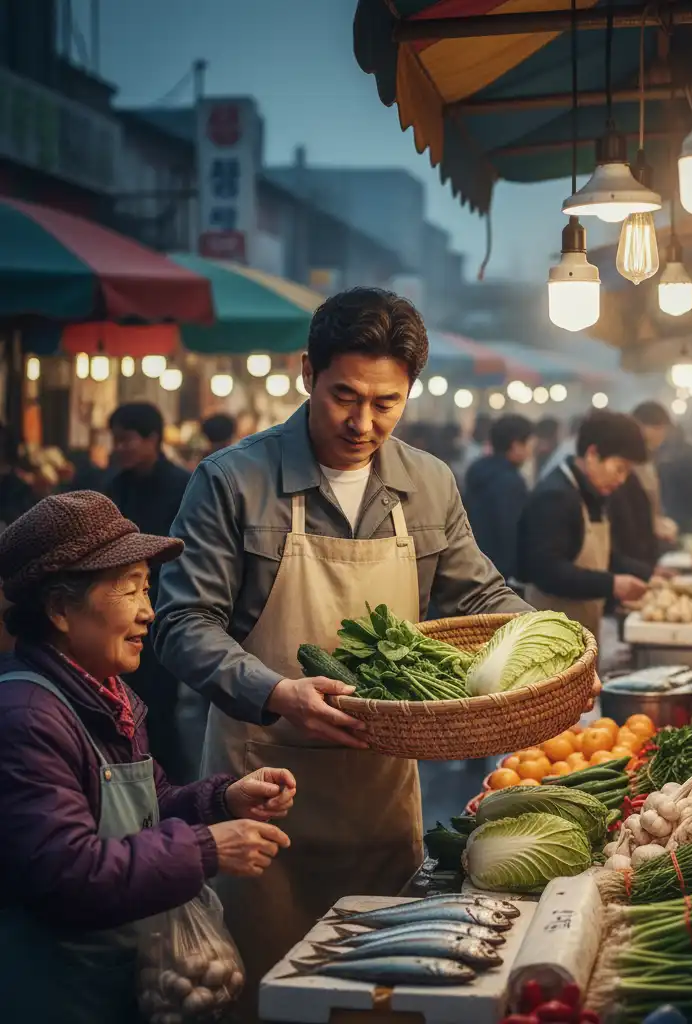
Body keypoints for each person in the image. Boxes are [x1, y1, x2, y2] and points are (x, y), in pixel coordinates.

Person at [153, 288, 533, 1014]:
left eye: (386, 403)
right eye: (345, 397)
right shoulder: (233, 481)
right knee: (268, 994)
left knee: (380, 1000)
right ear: (307, 374)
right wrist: (274, 689)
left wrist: (555, 650)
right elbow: (181, 621)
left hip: (380, 795)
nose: (363, 423)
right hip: (259, 790)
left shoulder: (427, 484)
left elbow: (482, 598)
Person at [0, 491, 295, 1024]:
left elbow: (150, 804)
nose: (148, 611)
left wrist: (221, 801)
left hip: (113, 985)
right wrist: (206, 850)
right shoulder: (27, 716)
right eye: (130, 590)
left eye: (147, 588)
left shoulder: (105, 695)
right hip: (57, 998)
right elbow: (68, 874)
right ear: (61, 609)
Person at [105, 402, 193, 782]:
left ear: (152, 439)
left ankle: (168, 786)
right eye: (116, 441)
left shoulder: (182, 484)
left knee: (160, 705)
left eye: (127, 440)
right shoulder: (116, 486)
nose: (119, 448)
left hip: (165, 605)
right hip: (119, 607)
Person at [518, 410, 650, 639]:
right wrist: (612, 584)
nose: (622, 480)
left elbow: (602, 556)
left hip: (583, 632)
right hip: (551, 638)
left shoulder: (591, 494)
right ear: (592, 454)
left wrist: (648, 575)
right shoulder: (555, 496)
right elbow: (547, 571)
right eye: (620, 468)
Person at [463, 414, 534, 582]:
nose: (531, 451)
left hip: (473, 563)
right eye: (529, 444)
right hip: (498, 574)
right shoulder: (510, 482)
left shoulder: (478, 471)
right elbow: (509, 532)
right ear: (516, 446)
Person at [609, 402, 677, 576]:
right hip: (630, 556)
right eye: (661, 430)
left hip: (643, 554)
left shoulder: (647, 459)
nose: (662, 438)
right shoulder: (624, 465)